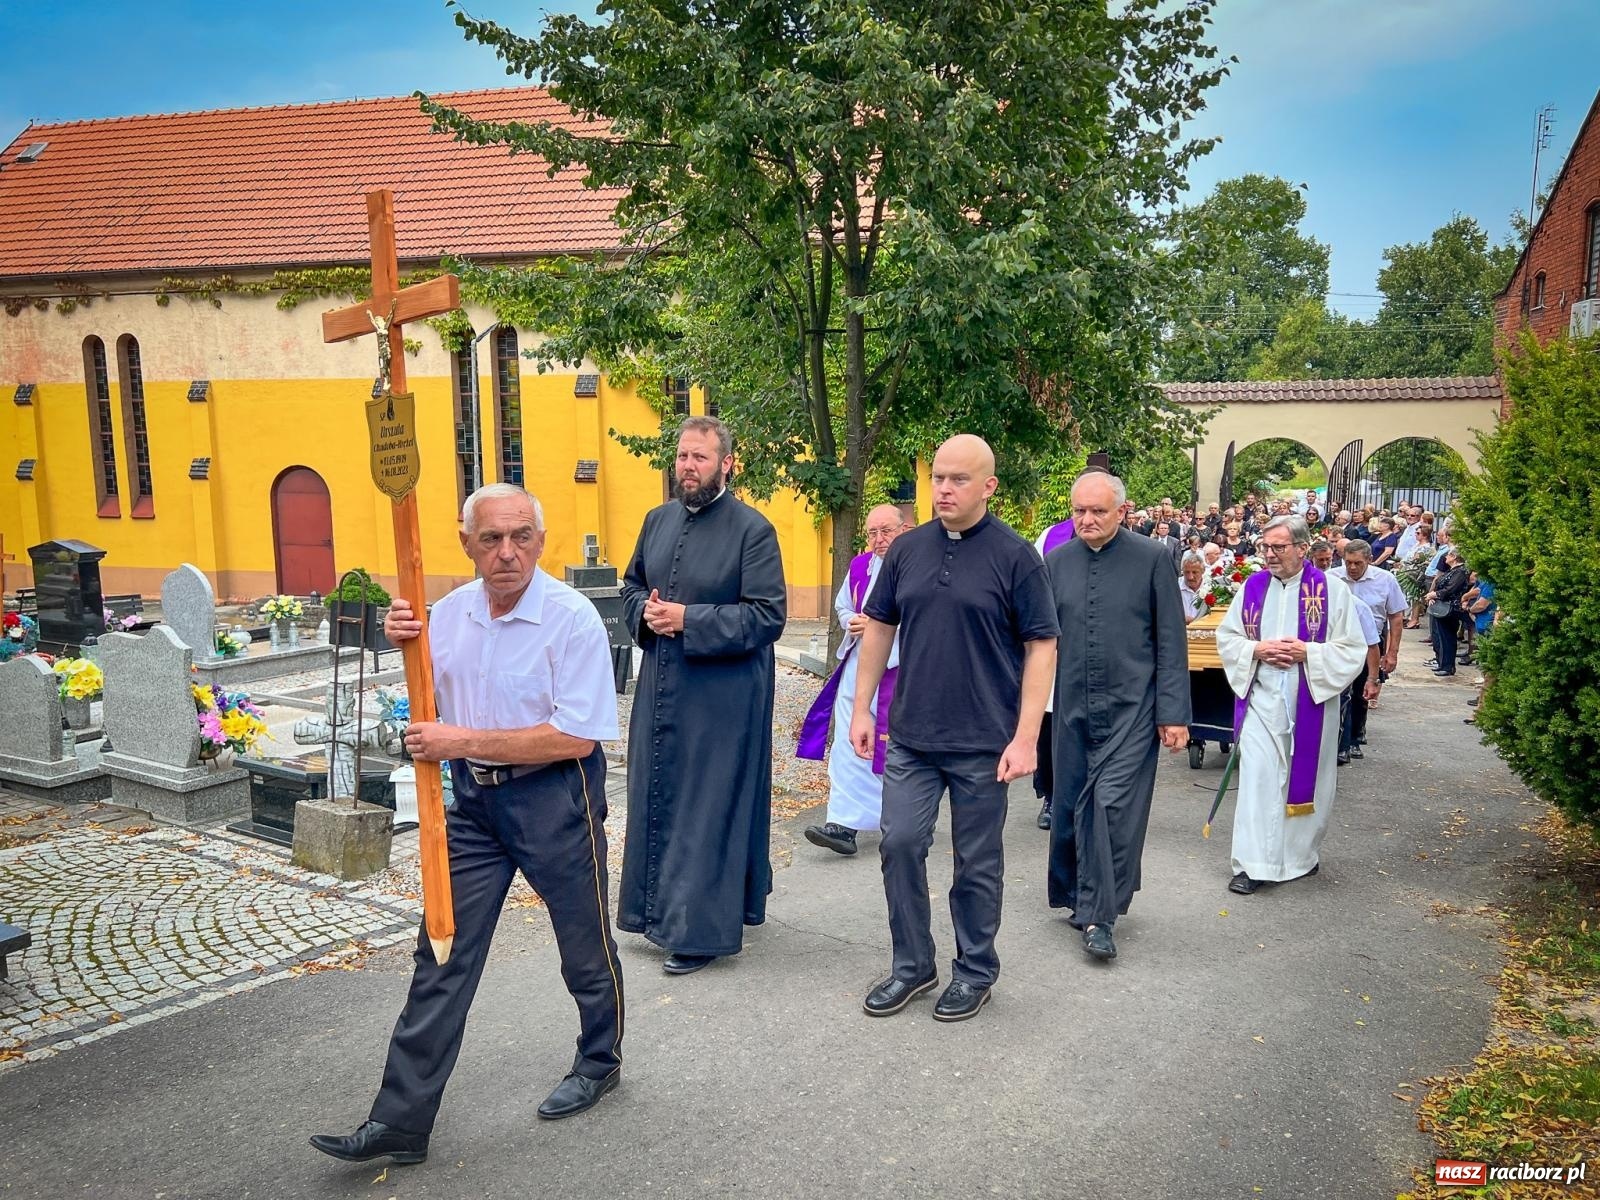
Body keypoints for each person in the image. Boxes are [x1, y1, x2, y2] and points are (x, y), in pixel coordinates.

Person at [310, 484, 624, 1166]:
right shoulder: (446, 616)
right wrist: (404, 645)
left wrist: (458, 742)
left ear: (540, 541)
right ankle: (400, 1121)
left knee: (584, 941)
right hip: (475, 808)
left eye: (521, 537)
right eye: (491, 539)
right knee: (442, 952)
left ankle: (599, 1060)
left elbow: (576, 736)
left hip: (554, 800)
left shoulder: (571, 620)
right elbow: (430, 704)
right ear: (467, 543)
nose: (507, 553)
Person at [851, 434, 1058, 1022]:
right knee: (899, 844)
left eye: (958, 479)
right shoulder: (906, 551)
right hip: (912, 736)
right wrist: (863, 707)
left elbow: (1042, 646)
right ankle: (913, 965)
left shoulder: (1017, 557)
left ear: (988, 486)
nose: (943, 488)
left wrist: (1025, 737)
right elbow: (879, 629)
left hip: (983, 742)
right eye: (938, 477)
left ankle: (975, 970)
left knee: (976, 861)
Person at [618, 416, 787, 975]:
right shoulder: (656, 520)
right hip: (660, 693)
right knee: (657, 799)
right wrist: (645, 611)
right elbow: (632, 585)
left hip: (722, 704)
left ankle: (700, 933)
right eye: (683, 457)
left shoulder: (753, 531)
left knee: (706, 810)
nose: (688, 467)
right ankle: (654, 917)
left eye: (700, 458)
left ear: (726, 465)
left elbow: (768, 617)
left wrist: (689, 618)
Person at [1045, 471, 1190, 960]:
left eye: (1098, 511)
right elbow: (1040, 640)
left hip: (1133, 708)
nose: (1086, 519)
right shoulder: (1057, 561)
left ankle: (1100, 917)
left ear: (1122, 512)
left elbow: (1172, 638)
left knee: (1109, 806)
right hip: (1071, 707)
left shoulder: (1152, 559)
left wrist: (1174, 713)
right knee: (1069, 804)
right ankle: (1079, 895)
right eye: (1079, 510)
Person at [1215, 516, 1367, 895]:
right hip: (1262, 702)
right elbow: (1228, 638)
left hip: (1310, 701)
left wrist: (1308, 652)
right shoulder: (1251, 588)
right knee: (1258, 781)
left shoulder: (1331, 591)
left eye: (1278, 547)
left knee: (1310, 782)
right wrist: (1256, 649)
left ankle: (1300, 858)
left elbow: (1353, 649)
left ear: (1302, 548)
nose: (1269, 554)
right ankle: (1252, 865)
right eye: (1265, 547)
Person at [797, 504, 910, 855]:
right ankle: (842, 824)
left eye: (886, 531)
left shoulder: (916, 566)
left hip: (901, 668)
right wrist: (852, 622)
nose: (878, 540)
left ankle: (900, 821)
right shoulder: (860, 566)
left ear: (904, 529)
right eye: (872, 533)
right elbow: (843, 605)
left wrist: (885, 626)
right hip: (859, 666)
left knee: (895, 746)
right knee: (849, 742)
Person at [1327, 539, 1405, 753]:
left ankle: (1355, 736)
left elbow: (1396, 617)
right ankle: (1340, 737)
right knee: (1340, 690)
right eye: (1348, 562)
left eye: (1358, 563)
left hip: (1370, 641)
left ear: (1369, 560)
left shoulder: (1385, 579)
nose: (1352, 568)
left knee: (1363, 688)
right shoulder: (1332, 578)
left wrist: (1391, 652)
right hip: (1339, 642)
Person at [1032, 513, 1079, 830]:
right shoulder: (1051, 536)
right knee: (1049, 727)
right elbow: (1034, 585)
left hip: (1093, 651)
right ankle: (1050, 795)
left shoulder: (1122, 540)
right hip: (1055, 643)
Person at [1424, 549, 1471, 676]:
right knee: (1441, 636)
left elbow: (1451, 589)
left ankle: (1447, 666)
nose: (1445, 558)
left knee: (1447, 637)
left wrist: (1435, 594)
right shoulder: (1452, 571)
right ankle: (1443, 663)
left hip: (1451, 608)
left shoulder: (1460, 571)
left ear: (1454, 557)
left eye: (1448, 555)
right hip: (1442, 605)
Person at [1178, 552, 1208, 624]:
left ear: (1203, 571)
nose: (1190, 577)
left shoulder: (1210, 587)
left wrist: (1194, 621)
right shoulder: (1174, 586)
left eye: (1195, 572)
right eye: (1187, 572)